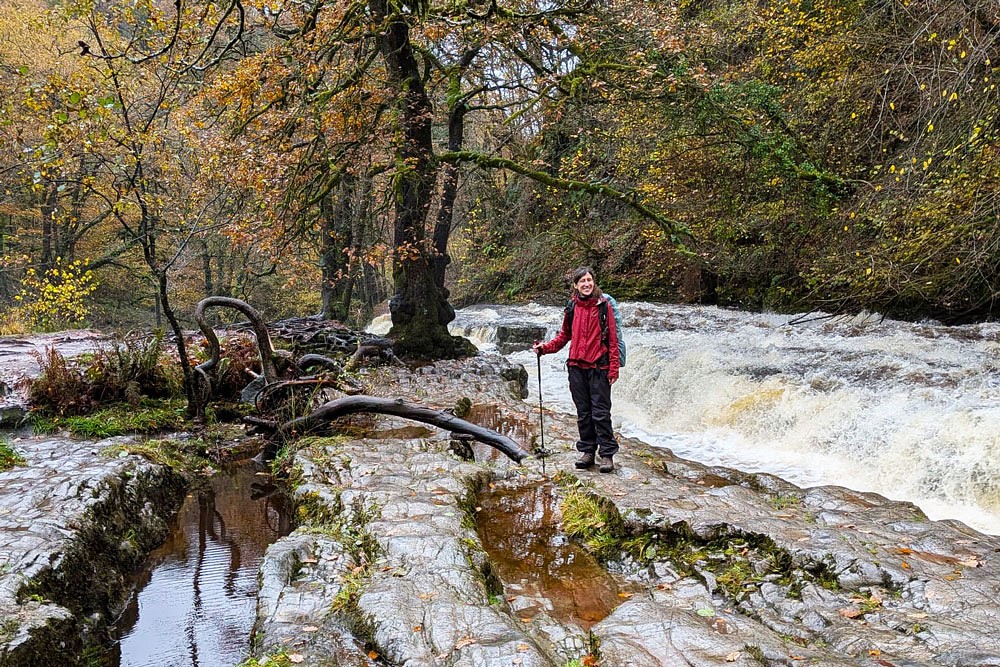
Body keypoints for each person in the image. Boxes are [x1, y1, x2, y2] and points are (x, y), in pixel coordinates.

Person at [533, 267, 620, 473]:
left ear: (594, 282)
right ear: (576, 285)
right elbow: (564, 336)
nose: (587, 284)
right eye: (582, 281)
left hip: (599, 367)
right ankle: (588, 451)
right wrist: (544, 349)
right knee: (583, 413)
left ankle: (606, 454)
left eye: (589, 280)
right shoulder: (572, 306)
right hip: (576, 367)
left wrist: (613, 369)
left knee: (600, 413)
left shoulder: (603, 306)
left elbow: (613, 340)